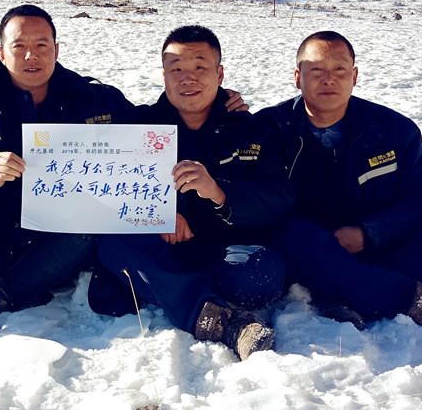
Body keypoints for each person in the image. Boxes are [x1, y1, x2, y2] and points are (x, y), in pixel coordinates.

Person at [0, 5, 248, 339]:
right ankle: (12, 284)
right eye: (19, 46)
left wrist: (215, 104)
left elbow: (149, 139)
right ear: (2, 53)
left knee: (92, 219)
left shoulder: (92, 99)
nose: (31, 56)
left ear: (56, 50)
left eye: (42, 45)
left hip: (60, 237)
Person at [256, 30, 422, 330]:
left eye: (339, 69)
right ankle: (409, 302)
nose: (328, 79)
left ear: (354, 76)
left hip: (380, 248)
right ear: (297, 77)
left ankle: (345, 292)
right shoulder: (268, 128)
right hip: (310, 251)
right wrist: (225, 104)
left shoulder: (393, 129)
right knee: (293, 233)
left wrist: (369, 234)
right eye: (316, 70)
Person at [89, 25, 294, 360]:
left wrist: (219, 192)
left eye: (200, 67)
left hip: (228, 249)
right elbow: (108, 186)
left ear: (220, 73)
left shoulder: (253, 130)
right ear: (164, 76)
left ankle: (168, 287)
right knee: (113, 243)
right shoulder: (138, 126)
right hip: (162, 247)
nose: (188, 79)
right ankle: (222, 321)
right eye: (177, 70)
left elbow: (279, 197)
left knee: (261, 273)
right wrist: (157, 214)